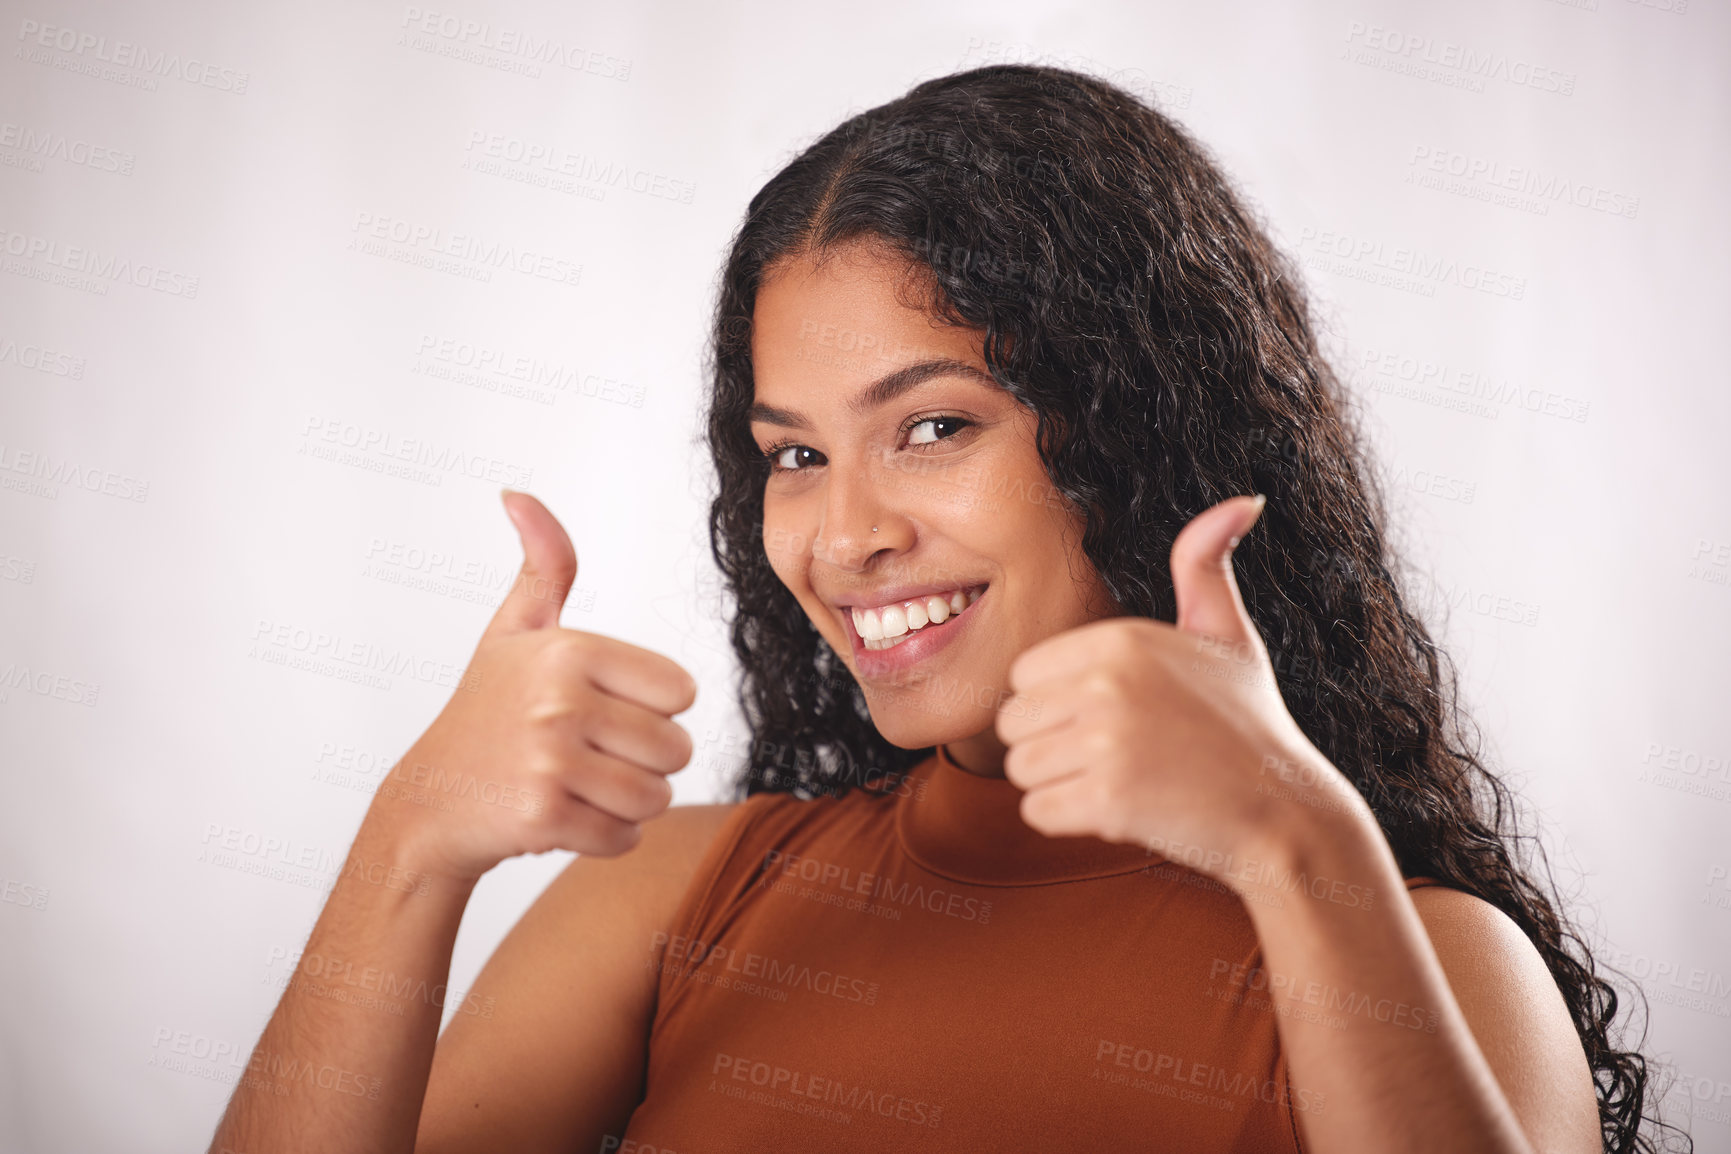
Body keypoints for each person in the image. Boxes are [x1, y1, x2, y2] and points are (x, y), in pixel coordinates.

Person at [209, 65, 1678, 1153]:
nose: (844, 535)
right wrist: (414, 838)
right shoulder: (672, 895)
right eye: (795, 453)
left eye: (932, 426)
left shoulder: (1407, 946)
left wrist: (1298, 846)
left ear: (1132, 429)